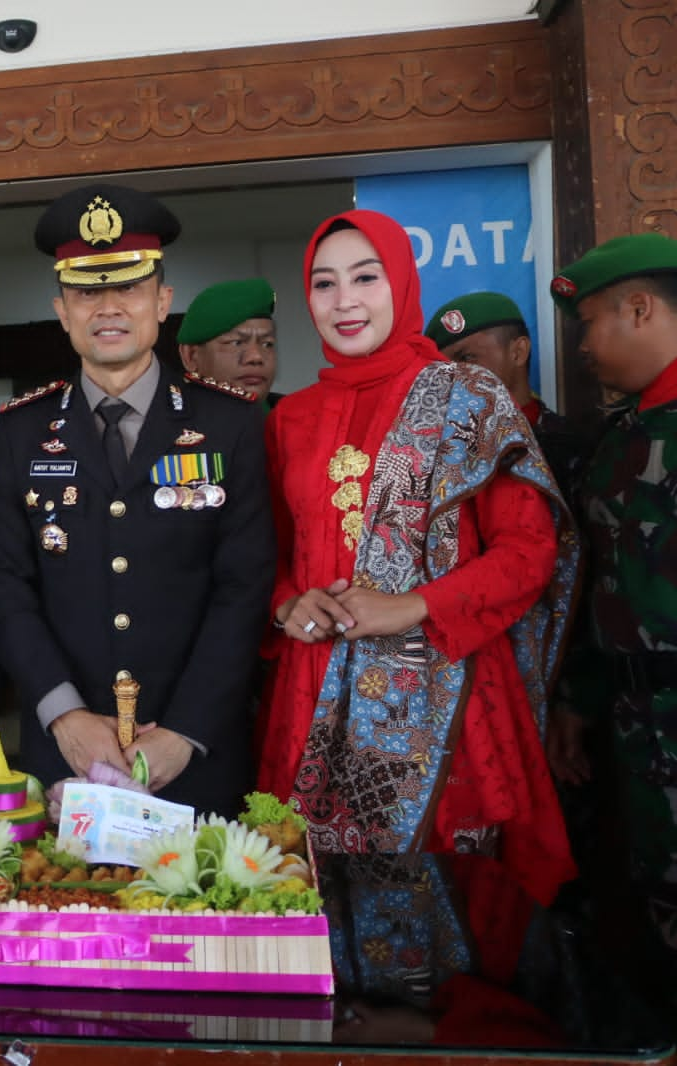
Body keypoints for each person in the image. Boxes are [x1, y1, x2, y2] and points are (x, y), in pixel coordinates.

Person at [257, 209, 578, 906]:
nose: (344, 301)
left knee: (455, 908)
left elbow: (530, 551)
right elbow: (273, 552)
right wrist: (287, 601)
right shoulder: (290, 418)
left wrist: (412, 605)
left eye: (365, 277)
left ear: (401, 283)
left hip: (443, 694)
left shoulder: (469, 398)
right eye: (323, 282)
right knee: (308, 898)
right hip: (314, 693)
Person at [0, 185, 274, 818]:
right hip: (65, 750)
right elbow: (5, 584)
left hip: (195, 752)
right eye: (88, 291)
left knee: (198, 914)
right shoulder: (22, 430)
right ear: (62, 309)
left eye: (129, 288)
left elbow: (243, 589)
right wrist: (62, 713)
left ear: (162, 301)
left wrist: (186, 730)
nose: (108, 308)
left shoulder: (229, 424)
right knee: (65, 914)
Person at [550, 231, 677, 1002]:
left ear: (639, 308)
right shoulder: (618, 438)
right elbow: (601, 587)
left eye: (591, 323)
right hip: (635, 722)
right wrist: (577, 702)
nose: (586, 349)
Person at [425, 291, 587, 492]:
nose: (452, 375)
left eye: (467, 358)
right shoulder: (435, 454)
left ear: (518, 352)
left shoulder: (574, 448)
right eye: (442, 367)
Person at [176, 277, 283, 409]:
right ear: (191, 356)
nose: (256, 357)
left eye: (267, 344)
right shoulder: (162, 423)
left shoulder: (291, 420)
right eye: (236, 343)